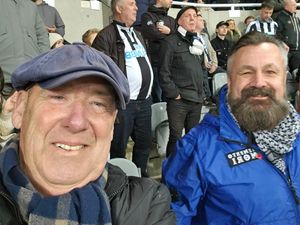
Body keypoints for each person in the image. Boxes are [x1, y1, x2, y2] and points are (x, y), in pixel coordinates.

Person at [0, 43, 176, 224]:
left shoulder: (148, 205)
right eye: (58, 97)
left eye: (98, 104)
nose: (77, 122)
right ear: (20, 109)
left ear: (112, 128)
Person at [163, 31, 300, 224]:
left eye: (270, 71)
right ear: (230, 80)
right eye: (246, 72)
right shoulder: (195, 149)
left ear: (284, 80)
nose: (259, 82)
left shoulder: (298, 132)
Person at [92, 0, 153, 177]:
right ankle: (118, 183)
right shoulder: (105, 36)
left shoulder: (138, 34)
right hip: (124, 104)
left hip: (145, 102)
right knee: (118, 147)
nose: (136, 8)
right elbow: (99, 72)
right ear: (119, 9)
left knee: (144, 145)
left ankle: (139, 180)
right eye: (131, 4)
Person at [159, 6, 204, 156]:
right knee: (176, 137)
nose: (193, 18)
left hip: (196, 99)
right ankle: (170, 173)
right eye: (188, 15)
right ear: (179, 21)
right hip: (179, 101)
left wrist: (203, 91)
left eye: (195, 15)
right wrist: (174, 94)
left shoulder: (197, 41)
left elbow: (201, 69)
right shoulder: (170, 42)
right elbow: (163, 72)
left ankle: (188, 170)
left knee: (193, 138)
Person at [0, 0, 49, 99]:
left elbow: (42, 35)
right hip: (4, 78)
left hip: (31, 78)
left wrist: (41, 62)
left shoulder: (31, 6)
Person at [140, 0, 176, 103]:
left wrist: (169, 31)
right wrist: (171, 35)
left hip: (172, 64)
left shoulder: (171, 19)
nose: (171, 1)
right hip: (156, 64)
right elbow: (153, 34)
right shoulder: (147, 16)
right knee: (157, 98)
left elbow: (178, 37)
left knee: (170, 98)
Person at [275, 0, 300, 77]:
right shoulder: (280, 18)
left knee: (296, 73)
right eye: (293, 5)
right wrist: (283, 44)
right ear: (286, 6)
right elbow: (277, 34)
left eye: (295, 5)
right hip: (286, 51)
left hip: (297, 51)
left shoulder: (296, 18)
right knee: (285, 74)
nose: (295, 7)